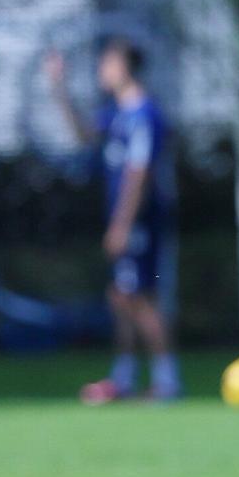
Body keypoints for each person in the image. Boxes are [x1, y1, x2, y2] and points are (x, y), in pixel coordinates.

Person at [44, 38, 180, 404]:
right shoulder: (118, 113)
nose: (102, 69)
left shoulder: (144, 114)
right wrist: (59, 90)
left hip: (140, 222)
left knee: (139, 298)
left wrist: (122, 223)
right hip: (127, 220)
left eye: (106, 62)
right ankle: (125, 376)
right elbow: (82, 134)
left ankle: (167, 381)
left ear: (123, 65)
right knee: (121, 295)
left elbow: (139, 173)